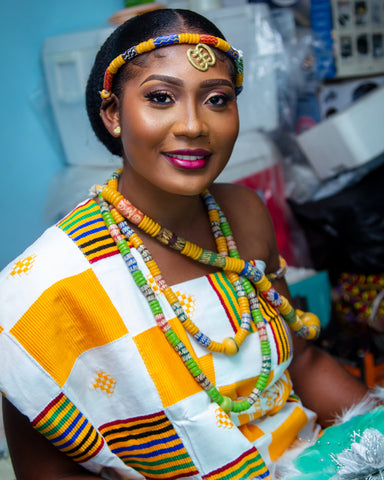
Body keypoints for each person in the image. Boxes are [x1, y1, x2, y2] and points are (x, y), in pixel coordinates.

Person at [1, 8, 382, 480]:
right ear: (113, 114)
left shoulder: (244, 214)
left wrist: (377, 438)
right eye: (161, 97)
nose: (194, 125)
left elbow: (302, 360)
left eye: (217, 100)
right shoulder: (46, 287)